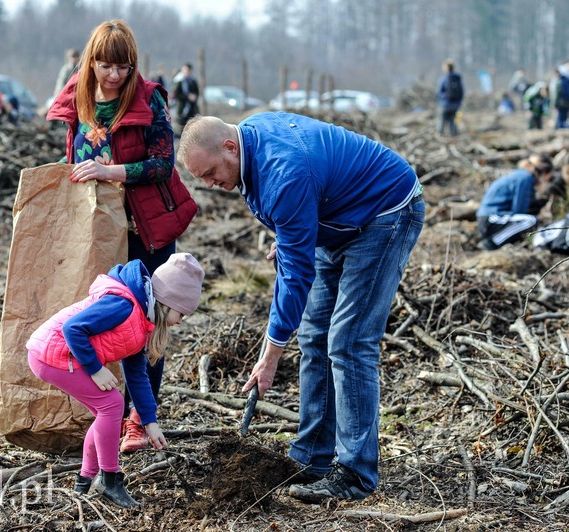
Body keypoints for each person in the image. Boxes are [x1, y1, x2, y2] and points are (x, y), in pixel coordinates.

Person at [177, 113, 424, 503]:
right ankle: (312, 459)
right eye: (202, 180)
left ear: (229, 147)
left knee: (349, 341)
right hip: (336, 218)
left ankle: (356, 474)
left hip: (385, 211)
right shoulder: (250, 145)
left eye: (210, 173)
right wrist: (296, 234)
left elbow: (294, 277)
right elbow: (295, 222)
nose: (211, 185)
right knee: (313, 336)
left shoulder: (284, 172)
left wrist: (270, 355)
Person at [46, 19, 198, 453]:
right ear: (91, 61)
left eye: (123, 67)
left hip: (145, 231)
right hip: (97, 233)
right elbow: (75, 156)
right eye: (106, 65)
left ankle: (138, 419)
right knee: (104, 320)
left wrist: (111, 171)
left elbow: (163, 164)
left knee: (148, 327)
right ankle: (100, 411)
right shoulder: (79, 99)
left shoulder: (149, 99)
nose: (114, 75)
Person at [26, 254, 205, 507]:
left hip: (61, 354)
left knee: (106, 411)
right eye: (182, 313)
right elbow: (73, 329)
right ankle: (109, 481)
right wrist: (96, 369)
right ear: (168, 301)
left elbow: (137, 375)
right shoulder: (123, 306)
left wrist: (149, 421)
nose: (179, 322)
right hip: (52, 353)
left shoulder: (143, 321)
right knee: (111, 405)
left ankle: (84, 482)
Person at [476, 153, 553, 250]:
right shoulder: (526, 177)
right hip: (491, 218)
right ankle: (492, 243)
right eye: (548, 178)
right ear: (544, 173)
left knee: (529, 219)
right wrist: (540, 217)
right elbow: (519, 210)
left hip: (487, 218)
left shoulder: (521, 174)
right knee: (531, 221)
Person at [436, 59, 464, 136]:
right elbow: (462, 91)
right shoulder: (457, 78)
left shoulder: (443, 78)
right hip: (456, 105)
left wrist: (440, 101)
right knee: (453, 120)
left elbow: (439, 92)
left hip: (445, 104)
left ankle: (440, 135)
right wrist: (458, 102)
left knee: (442, 120)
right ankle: (453, 134)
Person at [172, 63, 199, 131]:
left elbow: (197, 92)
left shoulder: (193, 80)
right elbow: (176, 94)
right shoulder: (179, 80)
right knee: (182, 128)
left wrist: (194, 97)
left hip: (192, 108)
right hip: (182, 108)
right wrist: (187, 97)